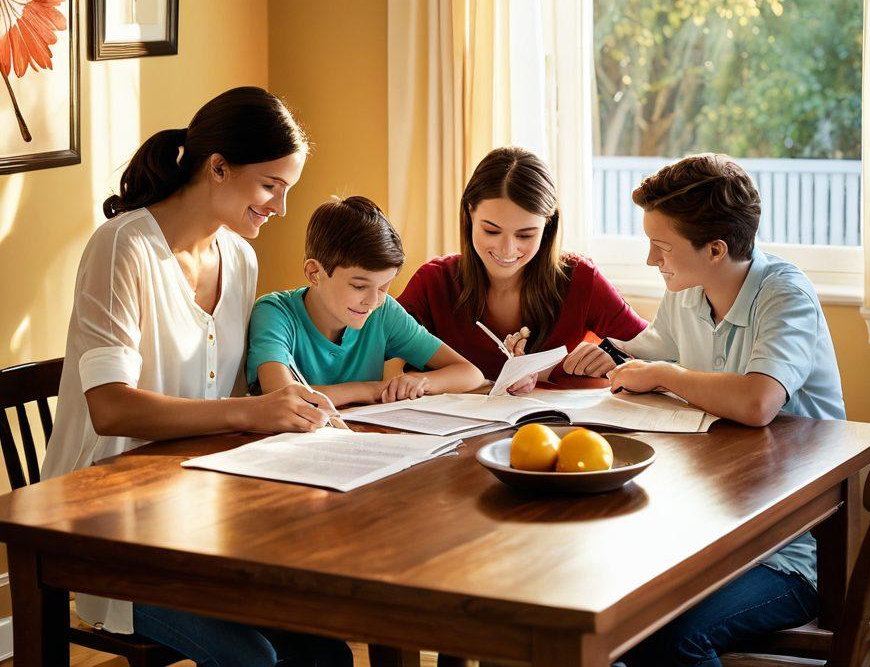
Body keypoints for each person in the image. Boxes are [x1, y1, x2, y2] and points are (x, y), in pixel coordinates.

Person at [42, 86, 351, 667]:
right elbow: (110, 408)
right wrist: (248, 412)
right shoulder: (122, 248)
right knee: (256, 659)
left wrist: (287, 399)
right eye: (271, 187)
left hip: (201, 522)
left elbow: (230, 390)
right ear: (218, 167)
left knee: (326, 652)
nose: (280, 209)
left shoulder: (239, 258)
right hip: (108, 532)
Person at [602, 153, 844, 667]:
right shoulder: (689, 291)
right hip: (708, 532)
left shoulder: (785, 295)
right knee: (605, 617)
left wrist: (666, 376)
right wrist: (609, 354)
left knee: (669, 638)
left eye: (661, 247)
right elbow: (655, 349)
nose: (651, 260)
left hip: (791, 552)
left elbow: (758, 402)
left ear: (716, 249)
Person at [397, 147, 646, 392]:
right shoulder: (434, 283)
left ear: (547, 226)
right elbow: (373, 352)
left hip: (557, 430)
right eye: (491, 231)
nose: (507, 249)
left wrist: (617, 358)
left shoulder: (580, 279)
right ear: (469, 212)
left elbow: (659, 352)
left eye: (525, 235)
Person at [249, 195, 484, 404]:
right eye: (359, 286)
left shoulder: (384, 313)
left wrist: (421, 381)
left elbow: (470, 373)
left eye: (384, 286)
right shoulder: (274, 312)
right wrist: (371, 390)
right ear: (314, 273)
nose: (373, 300)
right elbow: (281, 394)